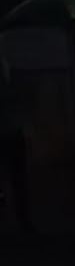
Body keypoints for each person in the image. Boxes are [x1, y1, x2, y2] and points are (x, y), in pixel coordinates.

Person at [0, 52, 33, 238]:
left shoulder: (13, 72)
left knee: (18, 179)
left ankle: (22, 220)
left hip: (13, 132)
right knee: (13, 178)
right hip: (8, 131)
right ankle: (16, 221)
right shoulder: (12, 76)